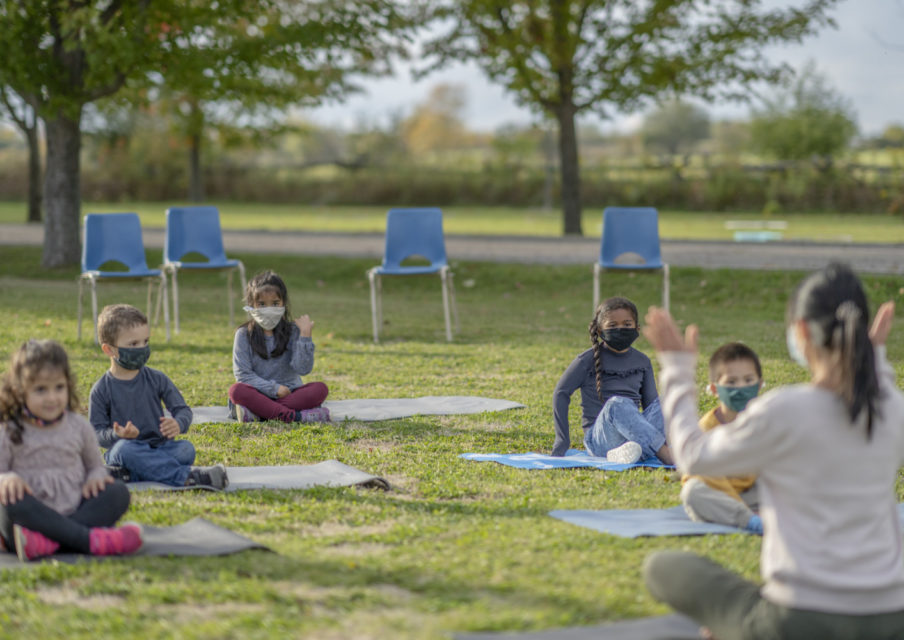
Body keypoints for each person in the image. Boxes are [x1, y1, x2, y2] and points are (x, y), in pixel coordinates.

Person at [642, 263, 904, 639]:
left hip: (798, 620)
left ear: (801, 331)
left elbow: (692, 456)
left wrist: (678, 370)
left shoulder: (784, 409)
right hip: (892, 617)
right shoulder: (893, 408)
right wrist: (877, 362)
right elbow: (880, 397)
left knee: (661, 567)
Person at [0, 339, 142, 561]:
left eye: (59, 387)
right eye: (40, 390)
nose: (52, 398)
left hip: (75, 509)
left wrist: (95, 477)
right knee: (10, 502)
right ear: (20, 391)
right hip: (28, 520)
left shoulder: (78, 426)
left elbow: (95, 466)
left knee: (117, 492)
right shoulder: (9, 431)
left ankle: (47, 543)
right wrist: (6, 478)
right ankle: (91, 541)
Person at [89, 304, 228, 489]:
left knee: (186, 450)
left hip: (160, 447)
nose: (142, 348)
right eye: (133, 344)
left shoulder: (157, 378)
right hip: (123, 449)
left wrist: (179, 423)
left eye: (145, 341)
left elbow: (182, 410)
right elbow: (96, 434)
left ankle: (129, 473)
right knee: (126, 450)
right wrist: (117, 434)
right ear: (109, 350)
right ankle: (189, 478)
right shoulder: (101, 389)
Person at [552, 296, 673, 465]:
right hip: (600, 441)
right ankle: (665, 454)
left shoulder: (643, 361)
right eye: (613, 326)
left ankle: (635, 452)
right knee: (617, 403)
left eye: (627, 324)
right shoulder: (586, 360)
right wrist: (562, 441)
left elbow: (652, 405)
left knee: (670, 399)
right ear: (600, 331)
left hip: (636, 438)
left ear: (637, 328)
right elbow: (561, 393)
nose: (621, 329)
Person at [681, 342, 763, 534]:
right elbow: (695, 475)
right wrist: (737, 505)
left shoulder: (762, 421)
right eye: (731, 382)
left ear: (759, 385)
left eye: (748, 380)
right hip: (718, 496)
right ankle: (752, 521)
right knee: (693, 493)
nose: (741, 388)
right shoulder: (705, 429)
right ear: (715, 389)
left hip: (754, 494)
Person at [228, 270, 330, 424]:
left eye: (275, 303)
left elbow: (303, 369)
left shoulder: (294, 331)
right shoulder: (243, 335)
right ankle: (296, 417)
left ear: (283, 304)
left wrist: (305, 336)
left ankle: (259, 413)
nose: (269, 309)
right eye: (261, 304)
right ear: (251, 305)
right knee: (236, 391)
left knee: (320, 389)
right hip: (257, 393)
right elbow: (243, 375)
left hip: (291, 394)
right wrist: (274, 389)